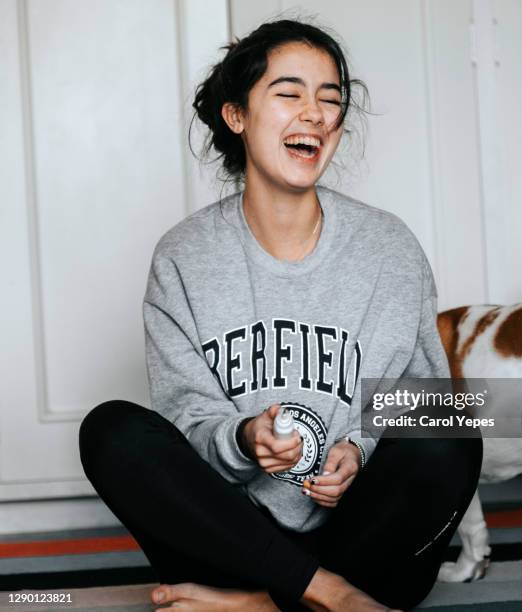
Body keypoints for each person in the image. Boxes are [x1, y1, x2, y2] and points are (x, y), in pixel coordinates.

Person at [79, 18, 482, 612]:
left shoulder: (389, 247)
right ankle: (325, 596)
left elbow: (419, 398)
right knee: (109, 430)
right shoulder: (183, 257)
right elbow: (187, 422)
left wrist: (359, 448)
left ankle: (258, 604)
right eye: (290, 93)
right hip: (230, 541)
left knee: (456, 422)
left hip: (364, 538)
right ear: (235, 115)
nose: (315, 114)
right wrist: (243, 439)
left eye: (331, 100)